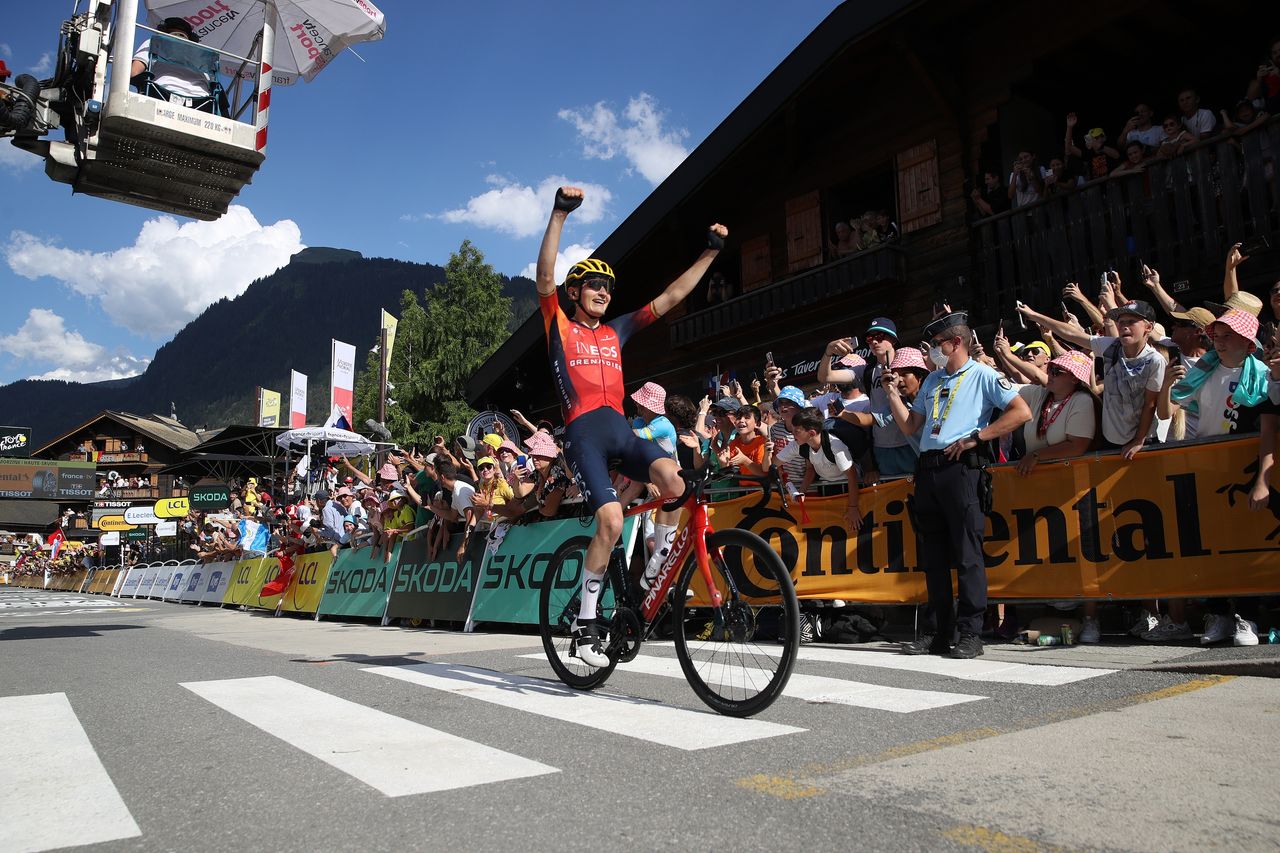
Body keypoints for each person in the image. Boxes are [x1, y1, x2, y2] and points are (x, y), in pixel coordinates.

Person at [535, 185, 726, 667]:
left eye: (608, 288)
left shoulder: (618, 330)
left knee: (676, 482)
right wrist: (559, 214)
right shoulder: (559, 322)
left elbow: (671, 296)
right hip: (583, 437)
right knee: (613, 520)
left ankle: (654, 571)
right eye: (593, 286)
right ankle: (584, 623)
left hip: (621, 431)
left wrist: (710, 252)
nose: (603, 293)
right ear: (576, 293)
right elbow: (543, 278)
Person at [883, 311, 1031, 659]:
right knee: (933, 558)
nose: (932, 351)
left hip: (961, 468)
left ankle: (970, 633)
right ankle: (938, 632)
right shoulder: (933, 381)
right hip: (929, 469)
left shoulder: (982, 374)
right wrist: (892, 394)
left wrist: (978, 437)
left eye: (936, 344)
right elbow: (909, 427)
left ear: (956, 342)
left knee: (967, 555)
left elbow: (1020, 411)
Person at [1019, 299, 1165, 460]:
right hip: (1109, 440)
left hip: (1142, 442)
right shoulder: (1112, 346)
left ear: (1148, 327)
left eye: (1131, 321)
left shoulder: (1155, 361)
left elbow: (1150, 404)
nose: (1124, 326)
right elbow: (1072, 334)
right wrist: (1034, 315)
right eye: (1121, 321)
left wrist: (1139, 440)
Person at [776, 409, 861, 532]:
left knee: (853, 526)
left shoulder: (835, 446)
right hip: (827, 488)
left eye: (796, 431)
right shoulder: (800, 444)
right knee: (832, 527)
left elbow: (852, 476)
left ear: (811, 433)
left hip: (850, 489)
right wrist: (801, 491)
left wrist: (853, 508)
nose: (792, 434)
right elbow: (774, 464)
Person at [129, 17, 213, 104]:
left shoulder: (155, 43)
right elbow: (211, 85)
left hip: (162, 94)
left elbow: (134, 72)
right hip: (202, 102)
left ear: (164, 32)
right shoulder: (201, 55)